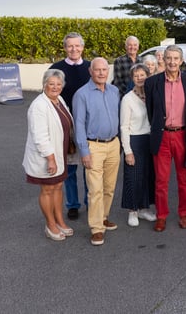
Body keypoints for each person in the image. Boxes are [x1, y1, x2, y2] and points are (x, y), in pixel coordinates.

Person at [144, 45, 186, 232]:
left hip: (182, 135)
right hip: (162, 135)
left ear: (181, 61)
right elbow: (151, 111)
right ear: (163, 59)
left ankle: (183, 214)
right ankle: (161, 215)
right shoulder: (152, 83)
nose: (172, 62)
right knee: (161, 180)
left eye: (176, 58)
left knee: (184, 179)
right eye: (169, 58)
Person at [73, 57, 121, 246]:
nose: (101, 73)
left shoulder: (114, 91)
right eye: (97, 70)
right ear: (90, 71)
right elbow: (78, 125)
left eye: (104, 70)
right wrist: (84, 151)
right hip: (94, 146)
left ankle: (103, 217)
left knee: (109, 187)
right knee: (95, 190)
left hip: (113, 144)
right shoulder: (82, 94)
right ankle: (96, 228)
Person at [22, 69, 74, 241]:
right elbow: (40, 136)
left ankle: (60, 220)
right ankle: (50, 224)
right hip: (47, 157)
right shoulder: (39, 106)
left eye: (59, 84)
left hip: (60, 152)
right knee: (47, 189)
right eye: (51, 84)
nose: (55, 87)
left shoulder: (58, 99)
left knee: (58, 187)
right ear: (44, 84)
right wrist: (50, 159)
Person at [49, 32, 90, 220]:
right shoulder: (56, 69)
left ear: (82, 47)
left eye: (77, 46)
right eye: (70, 46)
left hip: (89, 126)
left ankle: (91, 201)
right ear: (65, 48)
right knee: (70, 169)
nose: (74, 49)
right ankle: (73, 204)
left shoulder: (91, 68)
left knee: (89, 167)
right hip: (66, 126)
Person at [120, 63, 156, 227]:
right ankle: (132, 211)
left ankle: (143, 209)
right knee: (133, 177)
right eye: (136, 76)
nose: (140, 78)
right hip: (134, 140)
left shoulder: (151, 95)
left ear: (148, 76)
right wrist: (128, 151)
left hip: (150, 140)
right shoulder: (127, 99)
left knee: (148, 177)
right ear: (132, 78)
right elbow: (124, 127)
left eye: (142, 75)